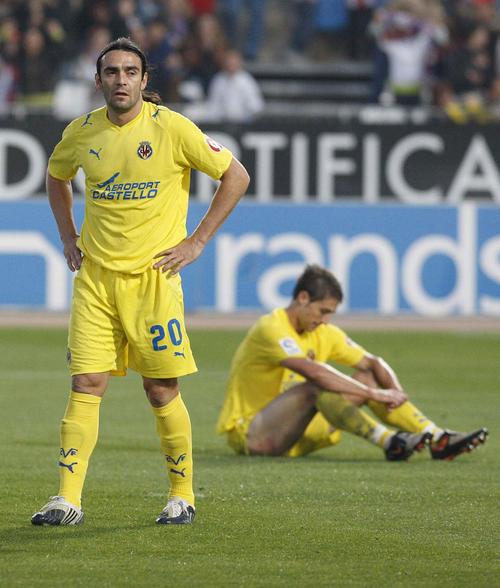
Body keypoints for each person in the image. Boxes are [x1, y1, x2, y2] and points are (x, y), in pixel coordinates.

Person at [31, 37, 250, 527]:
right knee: (86, 383)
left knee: (160, 389)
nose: (121, 80)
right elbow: (56, 176)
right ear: (98, 81)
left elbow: (235, 175)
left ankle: (182, 495)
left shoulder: (172, 128)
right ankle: (67, 499)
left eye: (131, 72)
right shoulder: (81, 132)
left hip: (154, 281)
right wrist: (68, 235)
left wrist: (196, 242)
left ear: (144, 80)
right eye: (112, 72)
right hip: (96, 281)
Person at [217, 265, 488, 461]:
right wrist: (372, 394)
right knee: (319, 384)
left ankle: (437, 437)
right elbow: (313, 372)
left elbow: (373, 362)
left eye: (330, 314)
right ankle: (389, 442)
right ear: (303, 298)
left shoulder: (323, 332)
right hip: (256, 435)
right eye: (323, 311)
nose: (325, 320)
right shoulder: (271, 327)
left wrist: (396, 393)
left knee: (367, 376)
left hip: (301, 434)